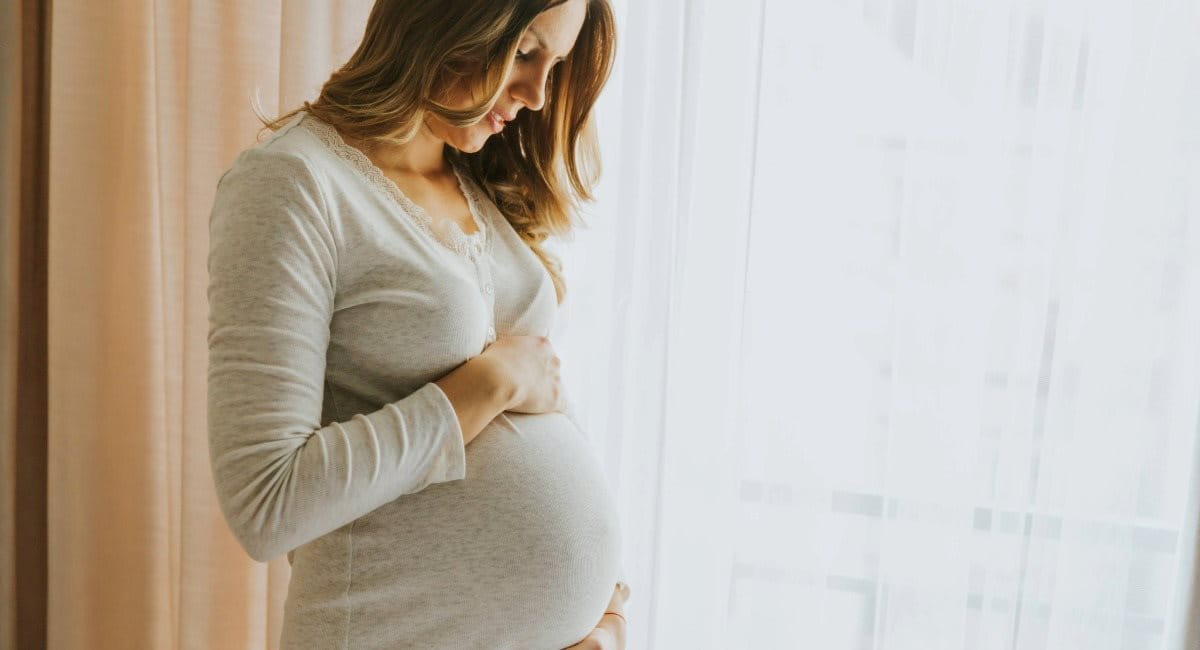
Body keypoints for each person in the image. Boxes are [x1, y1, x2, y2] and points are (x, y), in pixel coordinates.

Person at [204, 0, 631, 647]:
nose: (539, 95)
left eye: (556, 65)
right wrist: (485, 387)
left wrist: (605, 618)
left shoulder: (470, 178)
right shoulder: (294, 185)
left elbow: (542, 397)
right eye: (524, 52)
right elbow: (266, 503)